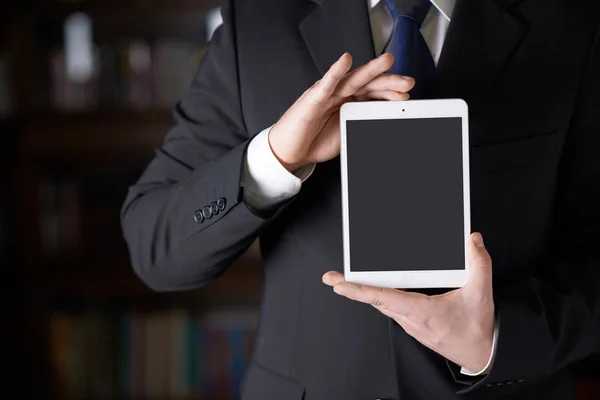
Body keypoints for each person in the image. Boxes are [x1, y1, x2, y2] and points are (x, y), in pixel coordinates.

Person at [120, 0, 600, 398]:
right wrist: (274, 158)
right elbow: (155, 249)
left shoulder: (570, 22)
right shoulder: (257, 22)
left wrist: (495, 342)